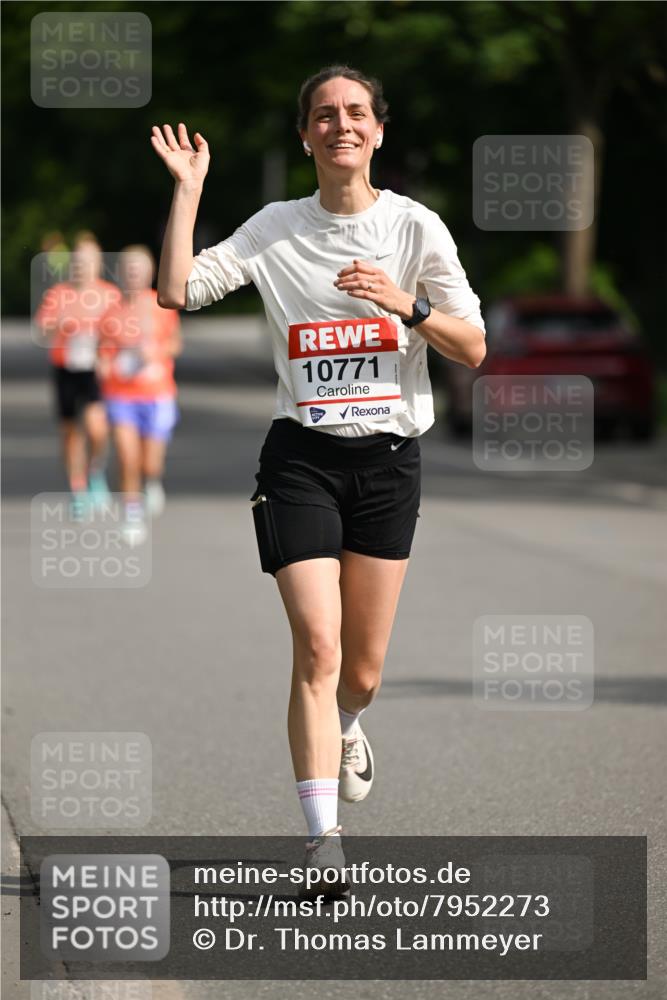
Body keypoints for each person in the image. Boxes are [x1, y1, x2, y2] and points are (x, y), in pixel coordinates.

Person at [151, 64, 486, 897]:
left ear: (378, 130)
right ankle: (322, 838)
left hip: (388, 463)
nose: (342, 125)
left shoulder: (415, 228)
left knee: (360, 673)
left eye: (356, 112)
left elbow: (474, 347)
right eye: (324, 115)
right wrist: (188, 191)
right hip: (301, 460)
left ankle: (348, 724)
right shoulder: (276, 228)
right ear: (305, 135)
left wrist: (405, 305)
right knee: (319, 647)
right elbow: (177, 289)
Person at [97, 245, 182, 543]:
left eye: (139, 269)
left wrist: (155, 353)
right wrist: (106, 364)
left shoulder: (162, 305)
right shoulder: (111, 310)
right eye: (128, 269)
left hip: (157, 395)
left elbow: (175, 344)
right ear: (120, 273)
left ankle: (152, 480)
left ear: (150, 273)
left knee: (150, 463)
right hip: (120, 395)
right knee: (127, 456)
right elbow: (102, 351)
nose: (133, 275)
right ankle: (131, 515)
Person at [35, 233, 119, 510]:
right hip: (66, 369)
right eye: (78, 261)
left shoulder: (109, 295)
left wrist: (107, 352)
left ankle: (95, 471)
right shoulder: (59, 294)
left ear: (98, 264)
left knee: (97, 429)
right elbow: (41, 331)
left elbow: (122, 333)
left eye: (88, 261)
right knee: (70, 433)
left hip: (96, 370)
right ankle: (77, 489)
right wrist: (58, 324)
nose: (82, 266)